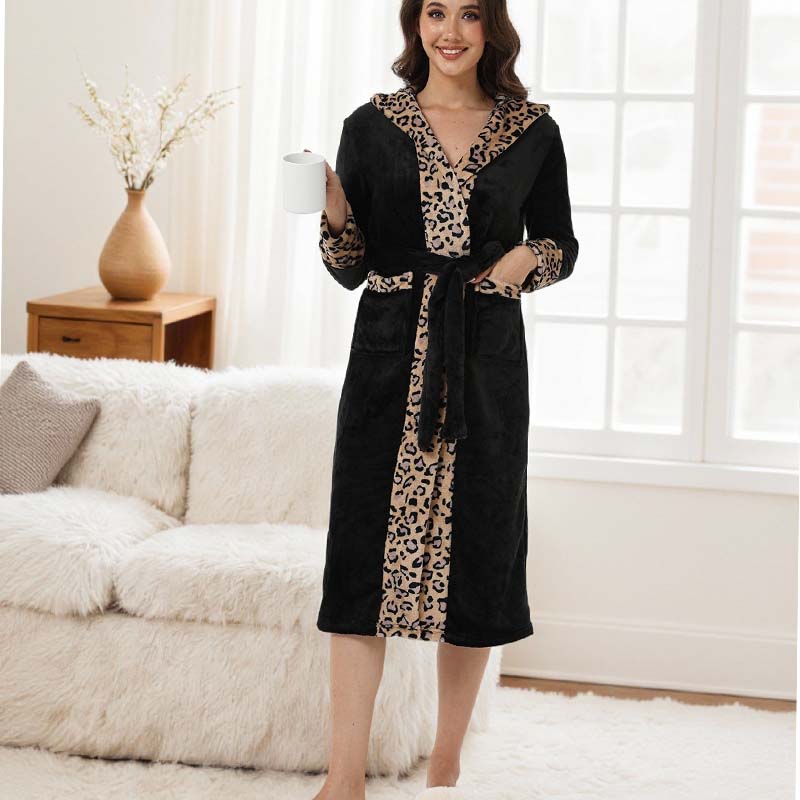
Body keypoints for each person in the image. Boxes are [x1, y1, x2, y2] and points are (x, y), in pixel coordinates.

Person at [310, 1, 578, 798]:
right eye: (435, 12)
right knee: (359, 565)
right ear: (414, 23)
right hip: (388, 363)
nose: (450, 31)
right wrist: (334, 212)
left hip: (486, 362)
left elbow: (561, 243)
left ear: (492, 27)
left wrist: (523, 260)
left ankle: (445, 764)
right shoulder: (370, 127)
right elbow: (350, 266)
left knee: (480, 560)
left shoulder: (532, 131)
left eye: (468, 13)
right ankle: (344, 778)